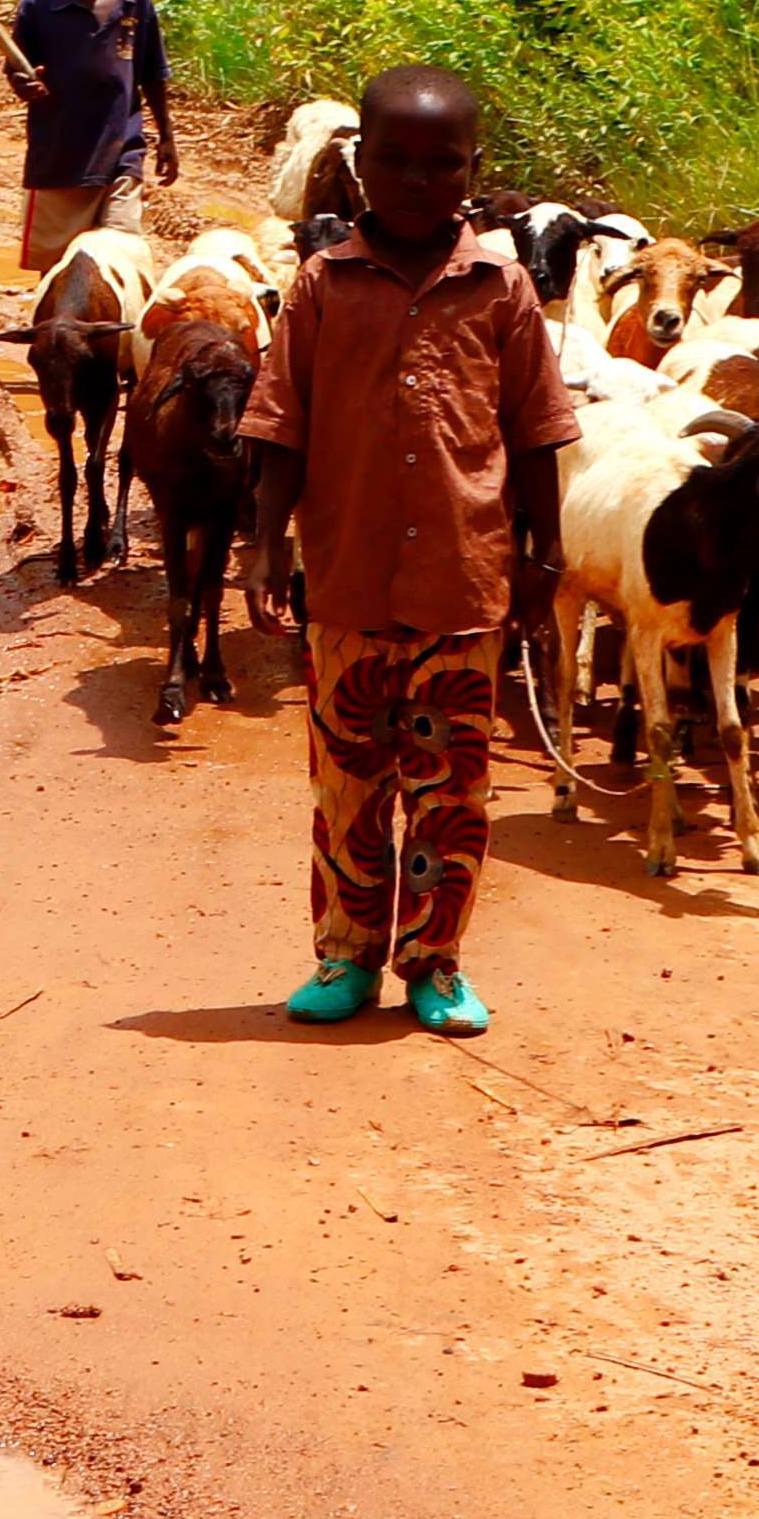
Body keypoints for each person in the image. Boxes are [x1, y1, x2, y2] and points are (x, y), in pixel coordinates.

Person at [235, 64, 564, 1040]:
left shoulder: (501, 288)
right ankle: (344, 956)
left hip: (465, 581)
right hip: (347, 581)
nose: (419, 180)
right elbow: (281, 425)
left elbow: (539, 430)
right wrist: (262, 547)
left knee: (453, 791)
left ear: (471, 167)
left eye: (442, 164)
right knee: (347, 786)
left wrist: (543, 559)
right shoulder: (323, 284)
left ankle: (436, 962)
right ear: (358, 165)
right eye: (396, 161)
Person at [3, 0, 177, 269]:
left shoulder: (134, 0)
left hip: (122, 156)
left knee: (119, 261)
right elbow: (17, 72)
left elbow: (152, 73)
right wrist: (26, 84)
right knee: (58, 272)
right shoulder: (38, 7)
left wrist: (166, 137)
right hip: (58, 162)